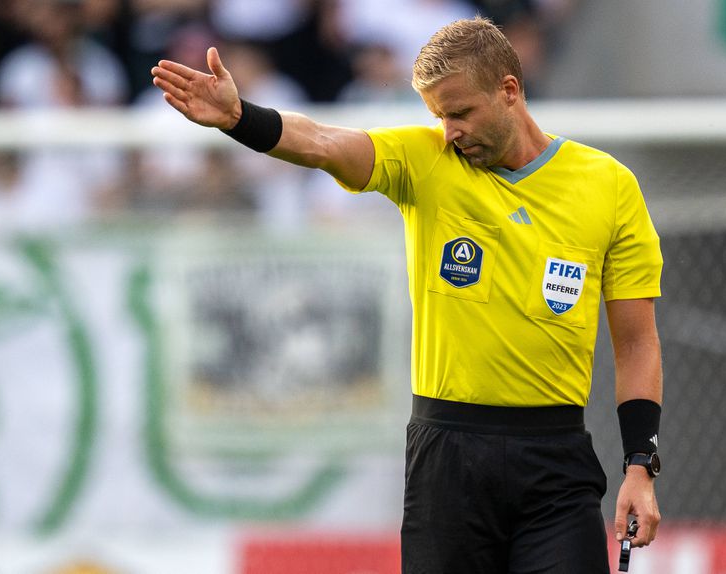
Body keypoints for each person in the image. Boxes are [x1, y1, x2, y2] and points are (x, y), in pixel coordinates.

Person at [152, 15, 663, 574]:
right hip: (446, 458)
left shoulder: (608, 187)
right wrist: (239, 118)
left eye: (460, 111)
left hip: (556, 464)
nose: (449, 131)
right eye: (439, 116)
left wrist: (639, 465)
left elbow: (636, 344)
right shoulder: (426, 162)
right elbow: (324, 143)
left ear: (509, 90)